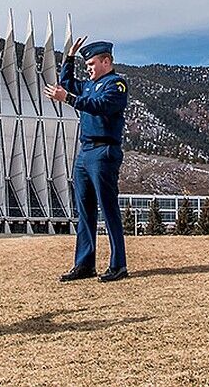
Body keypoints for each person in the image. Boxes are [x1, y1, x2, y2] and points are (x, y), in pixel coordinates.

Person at [43, 36, 129, 283]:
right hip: (85, 152)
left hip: (104, 152)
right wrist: (69, 57)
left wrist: (68, 99)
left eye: (91, 63)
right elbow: (67, 83)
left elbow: (100, 106)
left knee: (108, 208)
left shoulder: (116, 85)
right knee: (85, 210)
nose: (88, 68)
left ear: (106, 61)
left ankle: (118, 264)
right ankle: (84, 264)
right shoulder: (89, 85)